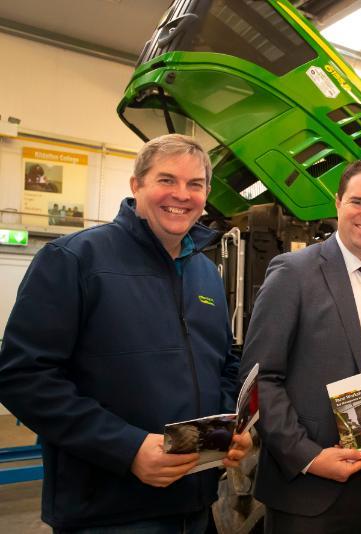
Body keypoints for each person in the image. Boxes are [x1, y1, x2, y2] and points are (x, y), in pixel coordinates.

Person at [0, 134, 252, 533]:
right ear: (136, 185)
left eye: (195, 184)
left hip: (195, 503)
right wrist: (127, 448)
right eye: (166, 180)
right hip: (109, 512)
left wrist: (224, 434)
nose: (181, 195)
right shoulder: (75, 259)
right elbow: (23, 376)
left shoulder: (205, 272)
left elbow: (222, 363)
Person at [241, 159, 361, 534]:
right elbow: (261, 378)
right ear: (337, 202)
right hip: (309, 490)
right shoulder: (293, 272)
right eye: (357, 201)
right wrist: (310, 457)